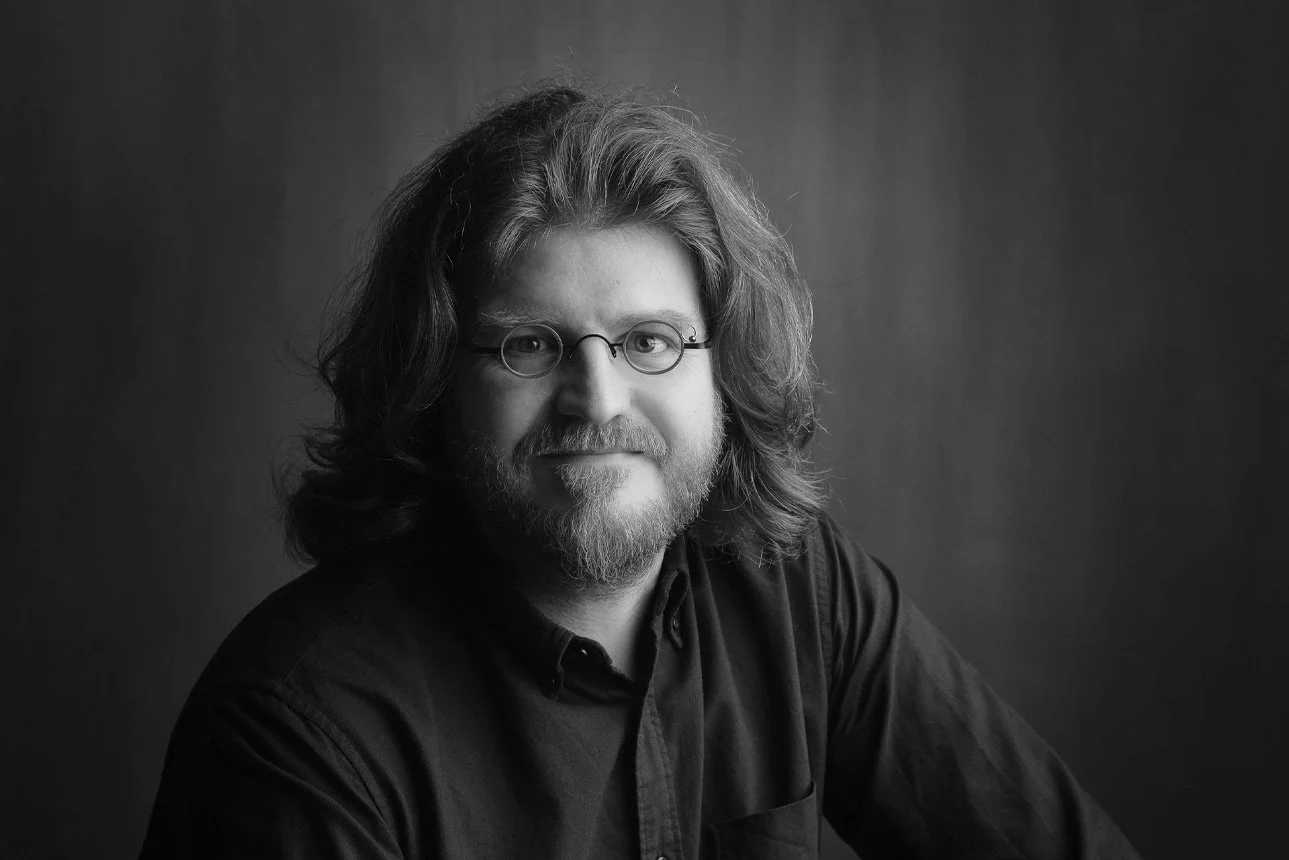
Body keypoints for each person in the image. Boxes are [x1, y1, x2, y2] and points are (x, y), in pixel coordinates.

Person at [139, 83, 1141, 859]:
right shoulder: (300, 727)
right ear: (436, 383)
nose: (596, 398)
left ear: (721, 368)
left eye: (649, 341)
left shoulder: (798, 592)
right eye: (529, 345)